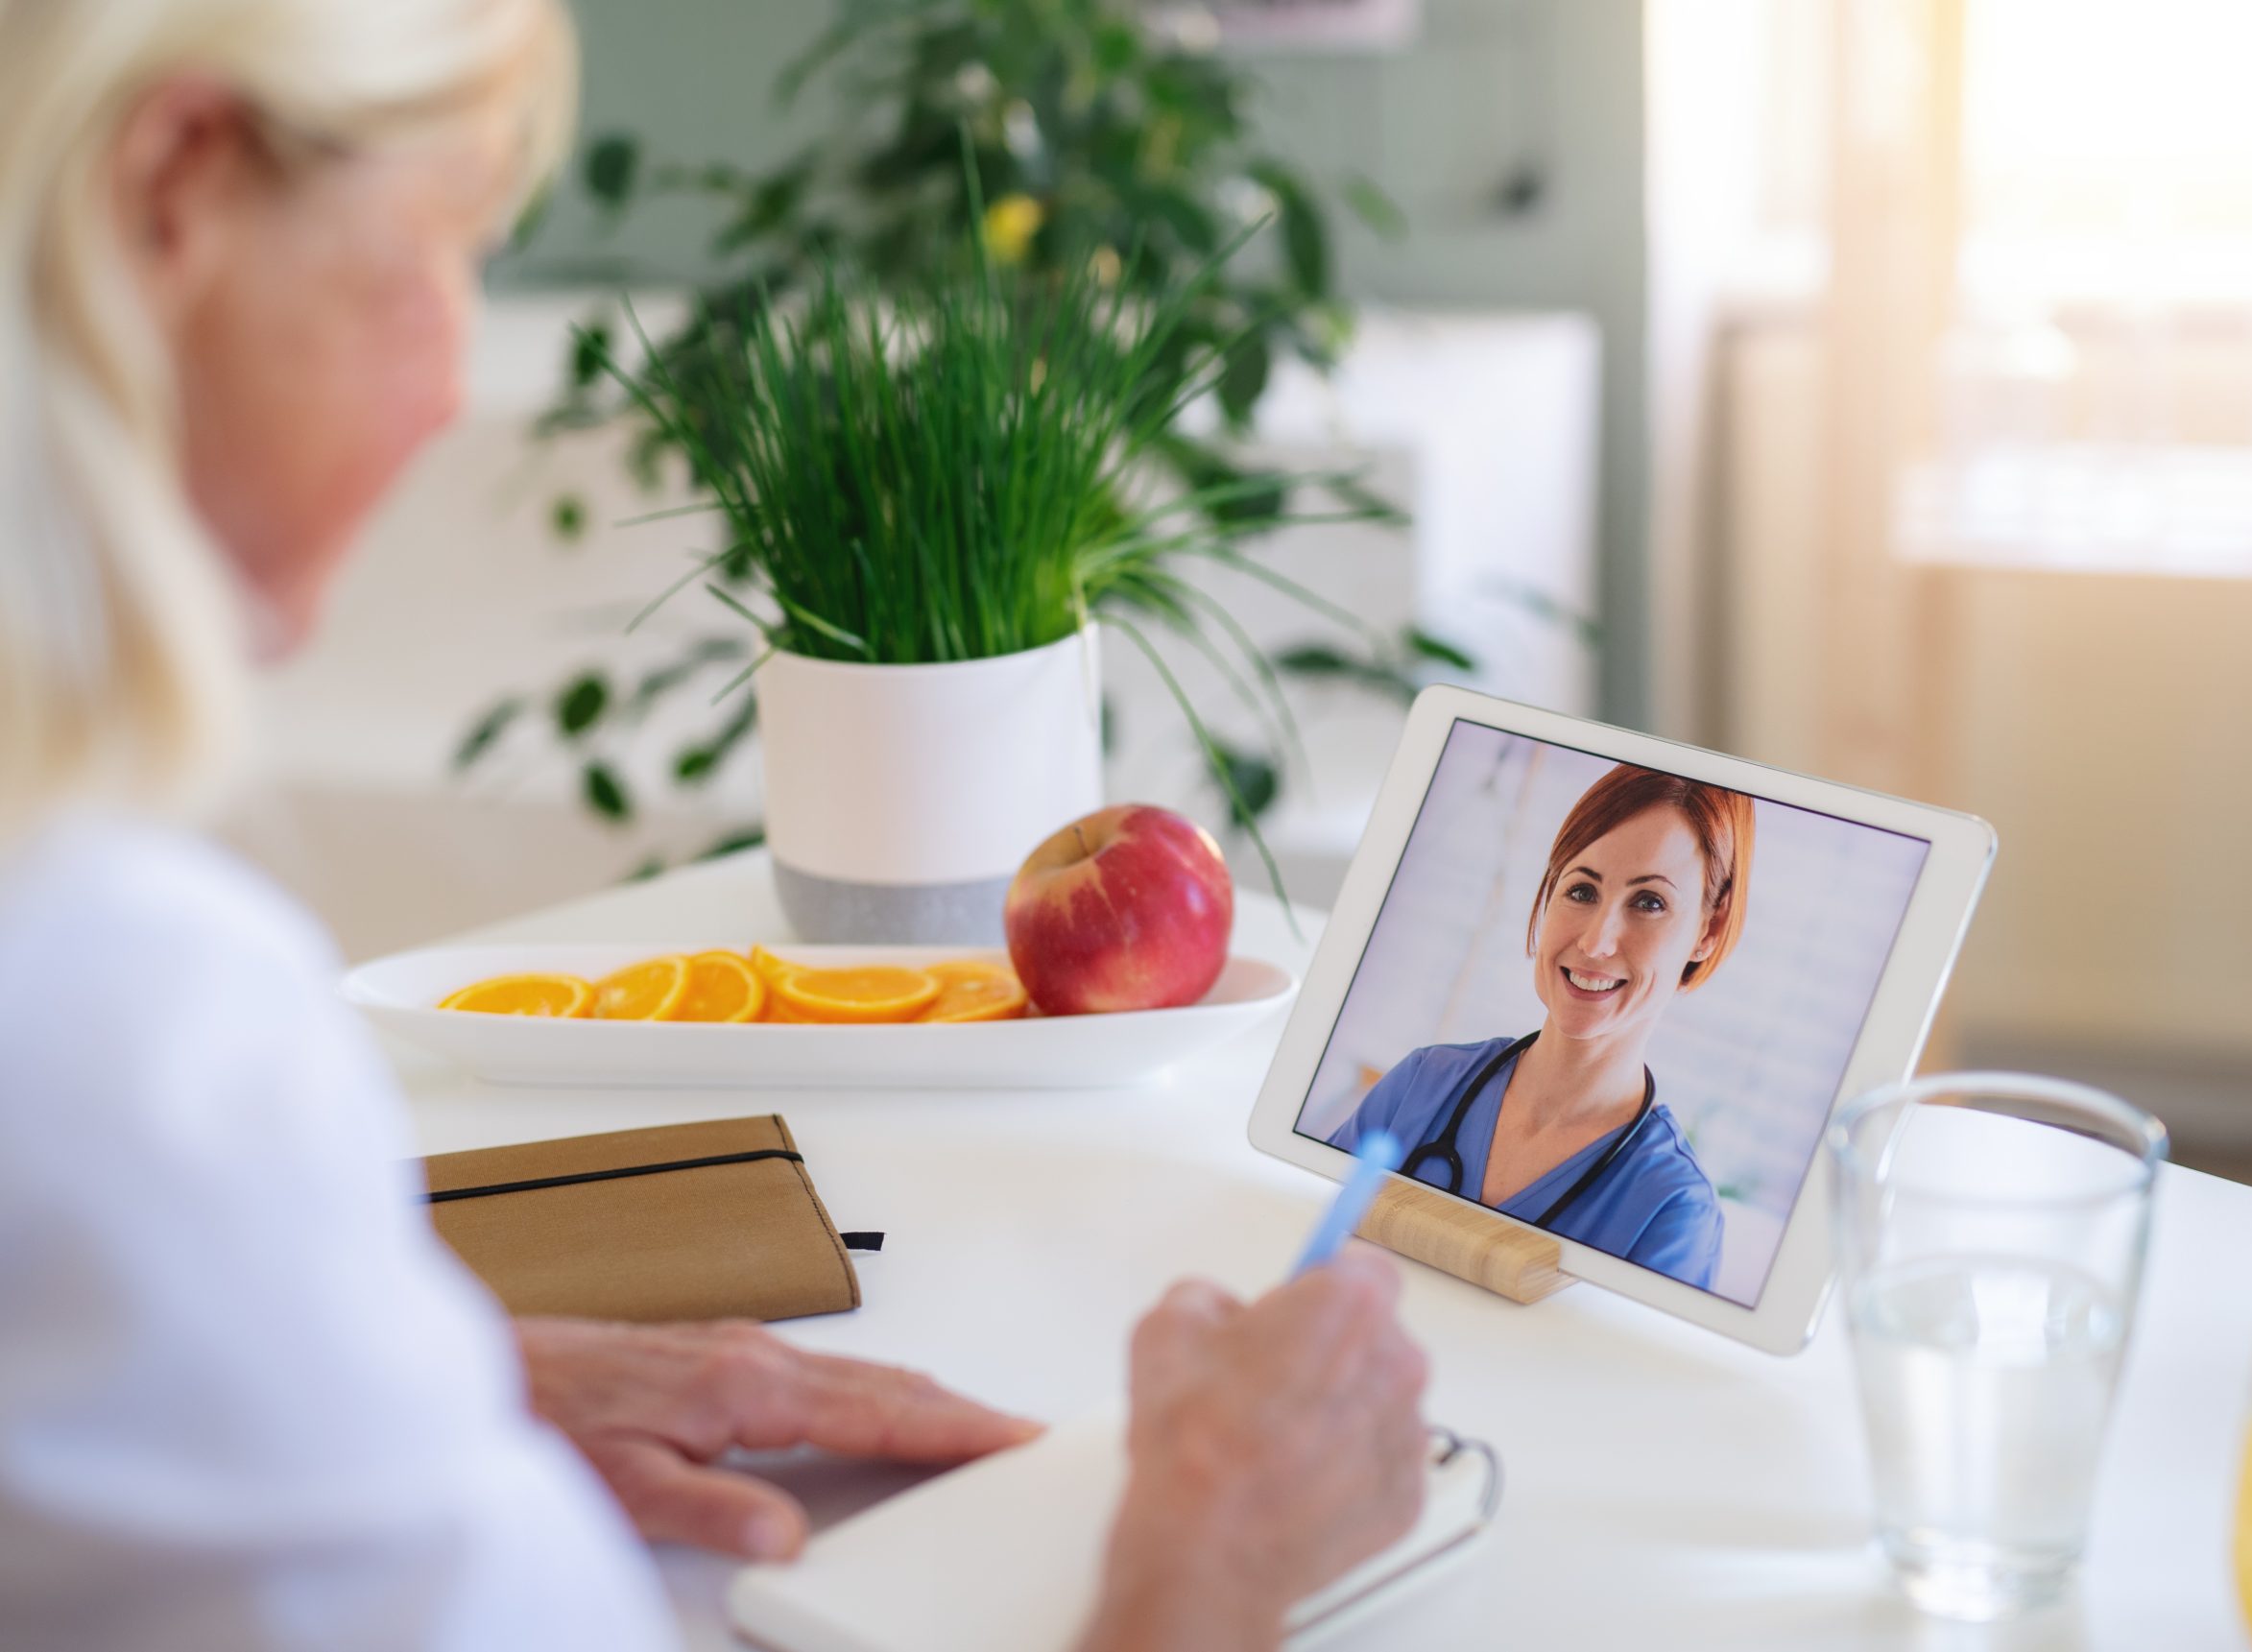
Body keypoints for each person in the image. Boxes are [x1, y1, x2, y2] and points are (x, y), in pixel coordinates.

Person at [0, 3, 1427, 1649]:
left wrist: (382, 1367)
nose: (458, 369)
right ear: (180, 185)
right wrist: (1218, 1546)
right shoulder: (117, 1016)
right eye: (444, 236)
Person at [1331, 764, 1752, 1288]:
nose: (1597, 942)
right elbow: (1307, 1245)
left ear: (1707, 932)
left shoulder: (1671, 1211)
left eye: (1649, 903)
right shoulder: (1421, 1083)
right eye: (1582, 891)